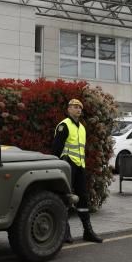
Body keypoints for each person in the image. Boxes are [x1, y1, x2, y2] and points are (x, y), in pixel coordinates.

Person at [51, 98, 103, 244]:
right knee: (66, 198)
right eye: (74, 107)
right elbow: (56, 149)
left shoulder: (81, 127)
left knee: (83, 198)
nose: (78, 109)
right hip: (67, 165)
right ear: (68, 109)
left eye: (80, 107)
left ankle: (88, 231)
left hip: (80, 166)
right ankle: (64, 232)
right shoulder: (64, 125)